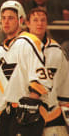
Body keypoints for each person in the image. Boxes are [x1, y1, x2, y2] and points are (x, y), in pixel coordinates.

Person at [0, 0, 53, 136]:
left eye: (11, 18)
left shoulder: (28, 42)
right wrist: (0, 109)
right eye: (3, 18)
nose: (6, 22)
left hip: (28, 111)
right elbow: (0, 86)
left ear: (20, 20)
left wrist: (30, 106)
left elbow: (42, 78)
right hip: (7, 113)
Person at [25, 7, 69, 135]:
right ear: (28, 23)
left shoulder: (57, 51)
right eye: (35, 20)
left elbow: (64, 83)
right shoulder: (19, 48)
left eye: (43, 20)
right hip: (26, 112)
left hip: (52, 113)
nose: (39, 23)